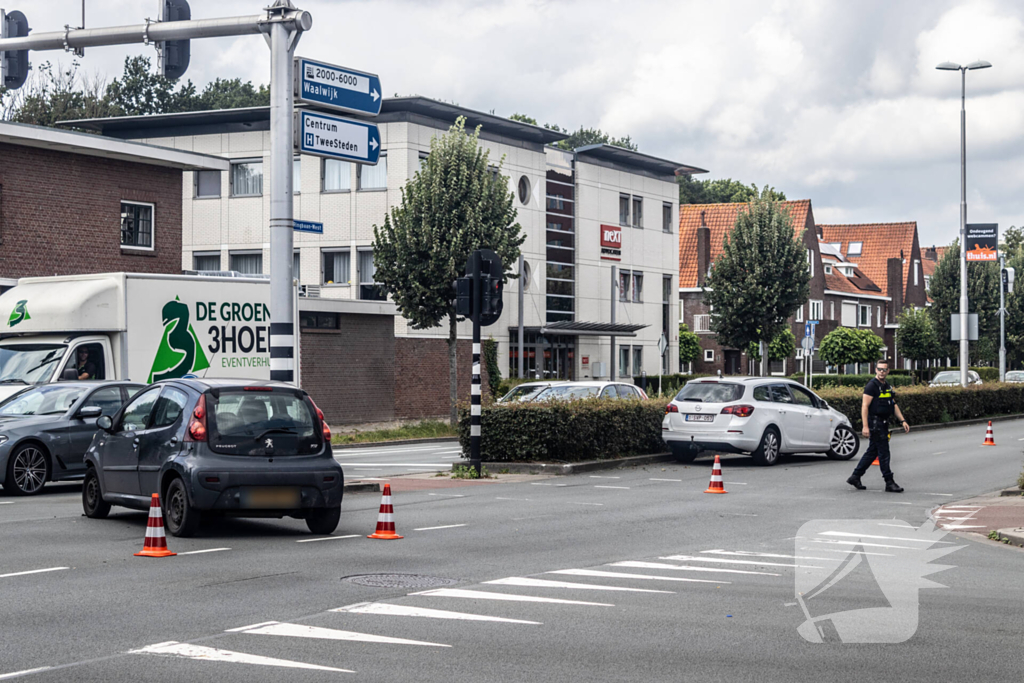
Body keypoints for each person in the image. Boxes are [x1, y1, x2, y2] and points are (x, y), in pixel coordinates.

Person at [847, 358, 908, 493]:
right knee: (884, 452)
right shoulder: (871, 386)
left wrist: (902, 420)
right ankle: (889, 482)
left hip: (883, 423)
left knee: (872, 452)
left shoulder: (887, 386)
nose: (881, 372)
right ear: (875, 370)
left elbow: (893, 404)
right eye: (879, 369)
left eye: (884, 369)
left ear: (888, 371)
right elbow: (864, 406)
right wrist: (865, 426)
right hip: (875, 423)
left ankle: (855, 476)